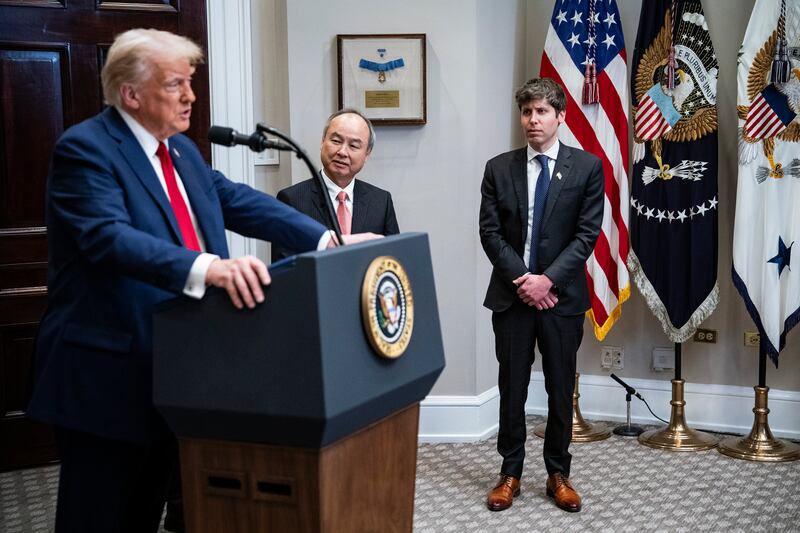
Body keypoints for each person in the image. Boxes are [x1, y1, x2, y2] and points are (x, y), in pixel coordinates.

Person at [26, 28, 378, 533]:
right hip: (107, 372)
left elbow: (236, 201)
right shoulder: (85, 150)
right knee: (99, 517)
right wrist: (210, 269)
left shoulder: (183, 152)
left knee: (153, 505)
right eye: (176, 85)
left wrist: (329, 241)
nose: (191, 96)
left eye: (191, 83)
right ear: (131, 93)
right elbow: (109, 238)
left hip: (181, 363)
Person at [479, 77, 604, 513]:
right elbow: (490, 234)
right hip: (513, 298)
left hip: (562, 298)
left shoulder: (587, 168)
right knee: (511, 387)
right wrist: (527, 282)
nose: (533, 120)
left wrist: (548, 281)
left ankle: (558, 473)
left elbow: (586, 235)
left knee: (558, 388)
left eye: (542, 112)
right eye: (527, 112)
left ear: (560, 117)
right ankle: (509, 471)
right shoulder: (499, 168)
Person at [271, 108, 399, 261]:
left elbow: (394, 260)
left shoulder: (381, 201)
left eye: (354, 146)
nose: (342, 152)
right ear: (322, 142)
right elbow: (284, 267)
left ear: (367, 154)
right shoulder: (291, 199)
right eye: (336, 141)